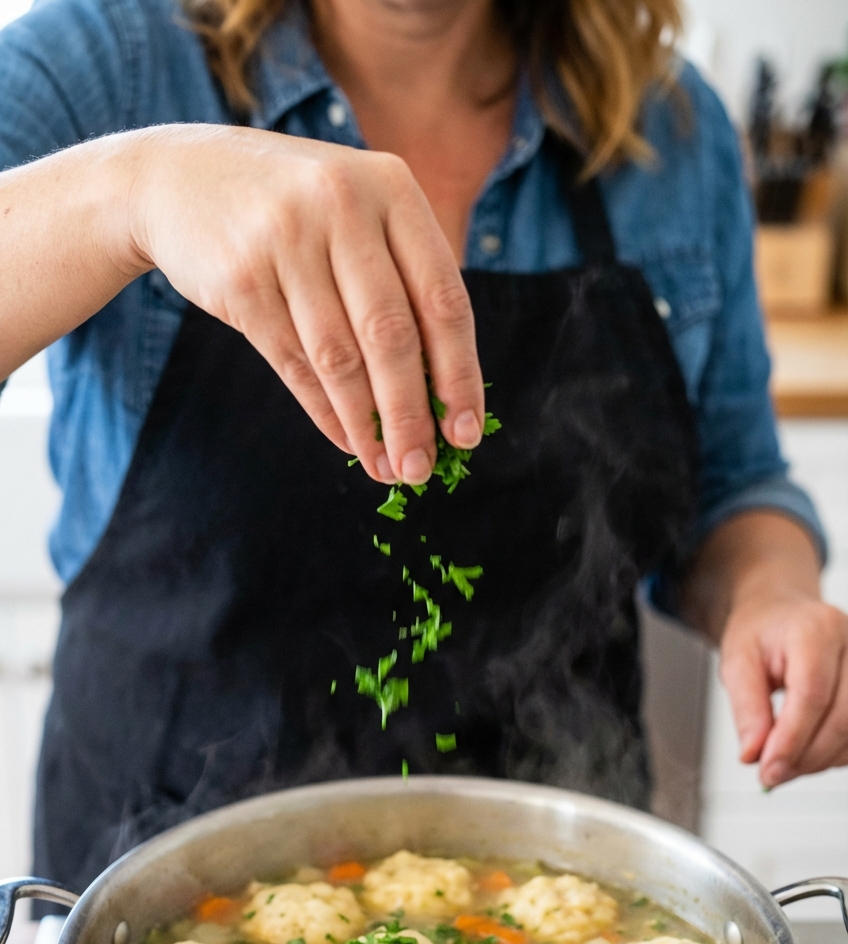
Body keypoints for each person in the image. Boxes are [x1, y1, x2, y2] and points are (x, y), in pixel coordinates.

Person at [1, 0, 846, 895]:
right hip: (152, 884)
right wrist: (130, 192)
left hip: (559, 888)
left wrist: (771, 594)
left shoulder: (673, 129)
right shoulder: (105, 64)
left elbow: (732, 481)